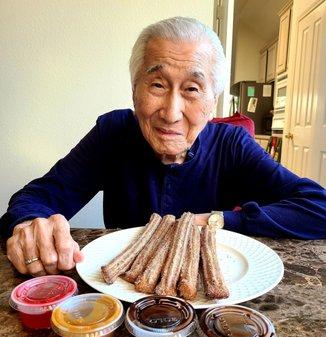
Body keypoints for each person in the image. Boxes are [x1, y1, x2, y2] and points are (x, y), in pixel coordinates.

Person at [1, 17, 325, 277]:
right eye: (157, 84)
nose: (171, 113)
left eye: (192, 89)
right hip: (123, 290)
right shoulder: (113, 133)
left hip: (208, 294)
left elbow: (318, 207)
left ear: (212, 102)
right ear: (134, 90)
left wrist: (217, 221)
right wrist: (30, 226)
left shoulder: (232, 145)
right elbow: (36, 197)